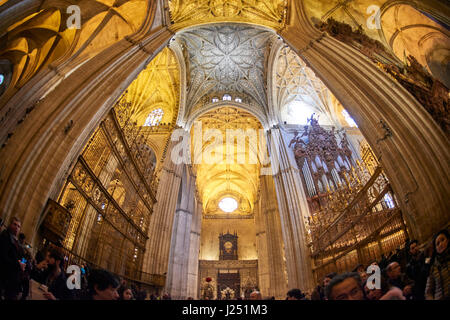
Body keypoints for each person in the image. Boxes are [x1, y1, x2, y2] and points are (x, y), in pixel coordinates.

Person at [0, 217, 26, 300]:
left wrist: (23, 263)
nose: (16, 227)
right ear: (10, 224)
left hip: (13, 276)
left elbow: (22, 256)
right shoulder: (5, 236)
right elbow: (3, 257)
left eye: (18, 226)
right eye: (14, 224)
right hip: (5, 275)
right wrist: (18, 264)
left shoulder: (16, 241)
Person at [425, 229, 450, 300]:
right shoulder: (433, 266)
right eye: (437, 243)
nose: (441, 244)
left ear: (448, 240)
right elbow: (428, 292)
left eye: (442, 240)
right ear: (436, 249)